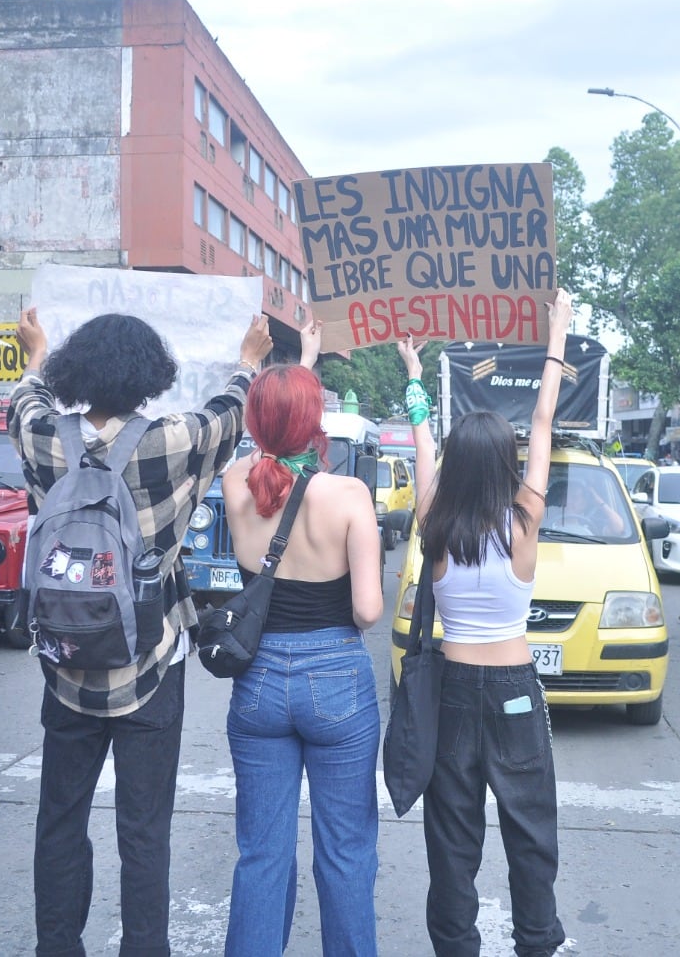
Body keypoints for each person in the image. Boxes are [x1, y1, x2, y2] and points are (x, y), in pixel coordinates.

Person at [9, 307, 271, 957]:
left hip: (66, 666)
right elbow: (230, 411)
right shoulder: (172, 441)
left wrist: (35, 353)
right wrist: (248, 359)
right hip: (150, 667)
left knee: (60, 822)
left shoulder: (45, 438)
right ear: (150, 374)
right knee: (145, 832)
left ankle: (58, 948)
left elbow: (23, 400)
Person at [405, 289, 573, 957]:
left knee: (452, 838)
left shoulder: (433, 519)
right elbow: (541, 417)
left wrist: (415, 376)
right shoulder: (525, 517)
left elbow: (421, 437)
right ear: (505, 463)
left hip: (452, 689)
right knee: (530, 829)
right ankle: (535, 943)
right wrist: (556, 335)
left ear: (456, 463)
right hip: (512, 689)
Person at [218, 320, 384, 956]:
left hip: (257, 680)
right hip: (336, 681)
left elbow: (271, 450)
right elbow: (368, 611)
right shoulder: (349, 495)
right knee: (345, 852)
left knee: (260, 853)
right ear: (318, 420)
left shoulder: (238, 484)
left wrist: (297, 364)